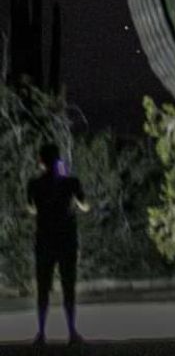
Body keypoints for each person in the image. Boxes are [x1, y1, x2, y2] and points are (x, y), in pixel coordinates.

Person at [26, 141, 90, 347]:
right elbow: (85, 205)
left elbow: (31, 209)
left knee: (43, 287)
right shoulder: (71, 182)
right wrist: (65, 179)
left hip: (45, 239)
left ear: (41, 161)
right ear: (58, 160)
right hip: (66, 240)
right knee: (68, 286)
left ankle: (42, 333)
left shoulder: (34, 184)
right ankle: (72, 332)